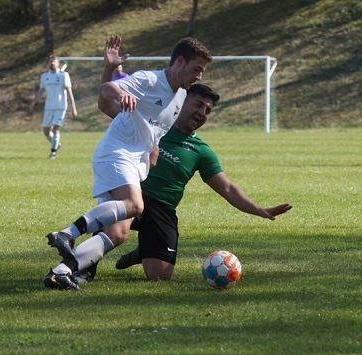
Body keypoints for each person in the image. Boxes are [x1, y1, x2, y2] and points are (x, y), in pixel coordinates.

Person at [71, 83, 293, 285]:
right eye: (198, 104)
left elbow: (227, 188)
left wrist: (260, 211)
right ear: (181, 101)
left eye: (208, 110)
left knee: (160, 276)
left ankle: (142, 251)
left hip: (163, 208)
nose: (202, 112)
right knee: (117, 227)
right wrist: (110, 70)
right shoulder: (152, 123)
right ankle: (80, 267)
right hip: (133, 193)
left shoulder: (201, 151)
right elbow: (105, 105)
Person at [43, 35, 213, 290]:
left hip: (132, 161)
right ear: (180, 61)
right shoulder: (150, 79)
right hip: (116, 153)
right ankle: (67, 234)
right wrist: (121, 89)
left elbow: (148, 124)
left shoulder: (180, 95)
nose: (199, 76)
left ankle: (60, 273)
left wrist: (152, 146)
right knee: (135, 205)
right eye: (197, 68)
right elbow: (105, 91)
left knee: (118, 233)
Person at [29, 55, 78, 159]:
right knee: (46, 130)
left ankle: (53, 152)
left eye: (54, 61)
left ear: (58, 63)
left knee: (56, 128)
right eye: (50, 61)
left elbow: (69, 92)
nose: (52, 63)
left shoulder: (63, 75)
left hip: (61, 106)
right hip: (49, 106)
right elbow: (41, 90)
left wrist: (73, 108)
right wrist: (33, 102)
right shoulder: (44, 76)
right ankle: (56, 144)